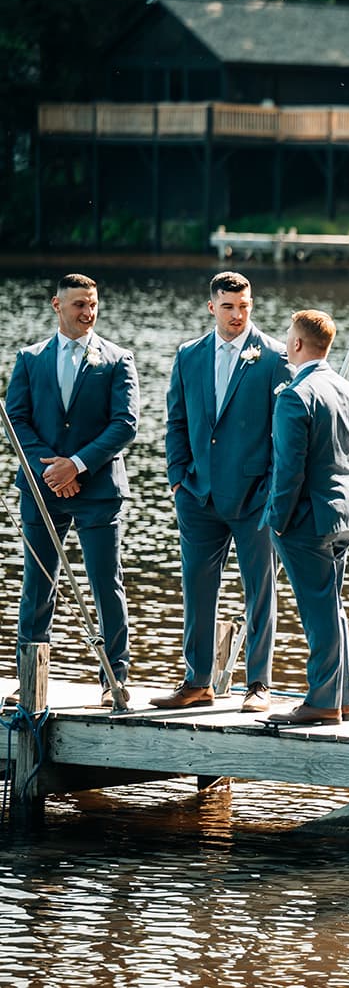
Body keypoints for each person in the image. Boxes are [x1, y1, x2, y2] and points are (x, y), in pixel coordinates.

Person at [153, 272, 292, 713]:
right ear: (212, 307)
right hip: (197, 495)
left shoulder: (273, 357)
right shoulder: (188, 355)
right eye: (229, 306)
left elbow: (283, 433)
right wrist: (178, 477)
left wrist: (271, 489)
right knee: (196, 589)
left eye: (244, 306)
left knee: (260, 590)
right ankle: (197, 680)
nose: (237, 314)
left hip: (254, 498)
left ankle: (258, 684)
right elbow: (176, 421)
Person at [5, 273, 138, 707]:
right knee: (38, 584)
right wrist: (52, 468)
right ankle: (30, 679)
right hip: (43, 487)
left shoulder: (118, 359)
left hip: (97, 488)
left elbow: (125, 424)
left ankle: (113, 678)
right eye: (79, 303)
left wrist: (76, 464)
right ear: (56, 305)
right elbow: (16, 419)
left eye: (93, 303)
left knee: (106, 584)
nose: (88, 311)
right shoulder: (29, 358)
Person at [263, 310, 349, 726]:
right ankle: (342, 699)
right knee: (332, 604)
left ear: (298, 344)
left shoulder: (294, 395)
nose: (286, 342)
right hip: (344, 516)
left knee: (318, 610)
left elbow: (289, 469)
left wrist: (277, 520)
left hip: (305, 520)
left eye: (288, 336)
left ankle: (322, 701)